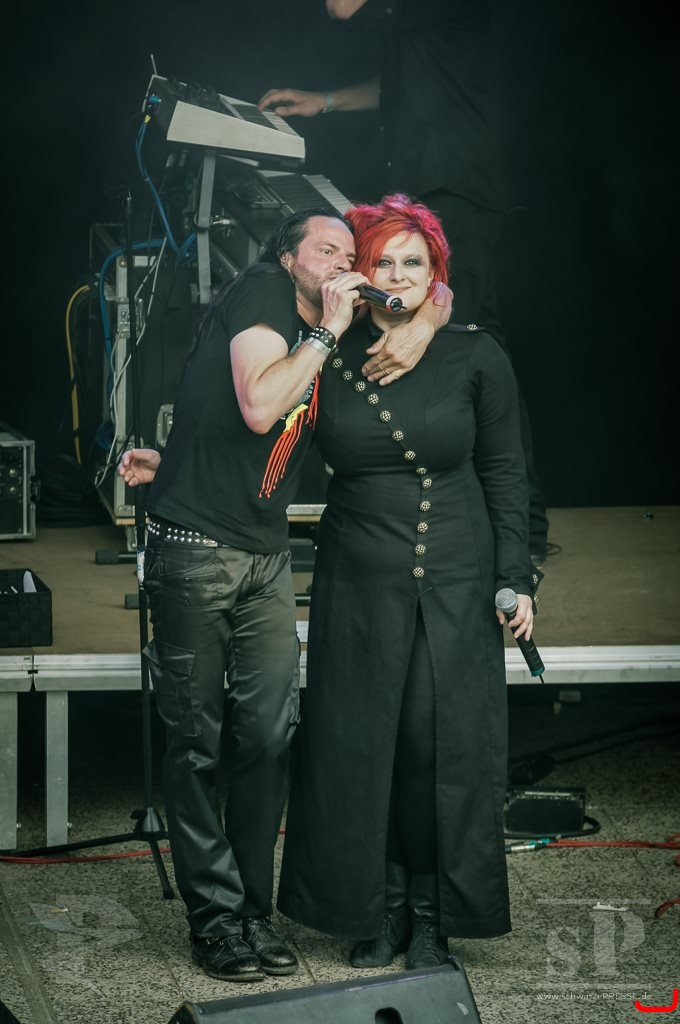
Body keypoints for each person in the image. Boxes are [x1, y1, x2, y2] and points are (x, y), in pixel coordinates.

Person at [116, 205, 451, 983]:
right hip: (196, 554)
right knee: (196, 744)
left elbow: (435, 288)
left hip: (265, 559)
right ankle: (214, 920)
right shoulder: (267, 293)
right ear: (289, 258)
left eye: (349, 253)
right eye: (324, 249)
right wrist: (329, 329)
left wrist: (428, 318)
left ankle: (251, 911)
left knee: (269, 737)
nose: (341, 262)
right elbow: (262, 405)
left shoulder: (332, 313)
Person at [275, 193, 536, 970]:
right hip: (358, 571)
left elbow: (508, 475)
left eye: (413, 262)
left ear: (436, 273)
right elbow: (265, 436)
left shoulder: (477, 356)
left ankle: (430, 914)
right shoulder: (327, 351)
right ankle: (379, 907)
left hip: (454, 572)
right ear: (359, 272)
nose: (397, 275)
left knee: (432, 745)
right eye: (382, 261)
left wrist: (516, 577)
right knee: (360, 744)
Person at [258, 0, 551, 564]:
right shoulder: (419, 30)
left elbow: (342, 8)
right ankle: (511, 527)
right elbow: (400, 85)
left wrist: (425, 325)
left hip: (455, 189)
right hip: (433, 186)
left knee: (473, 350)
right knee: (472, 339)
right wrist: (324, 101)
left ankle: (519, 539)